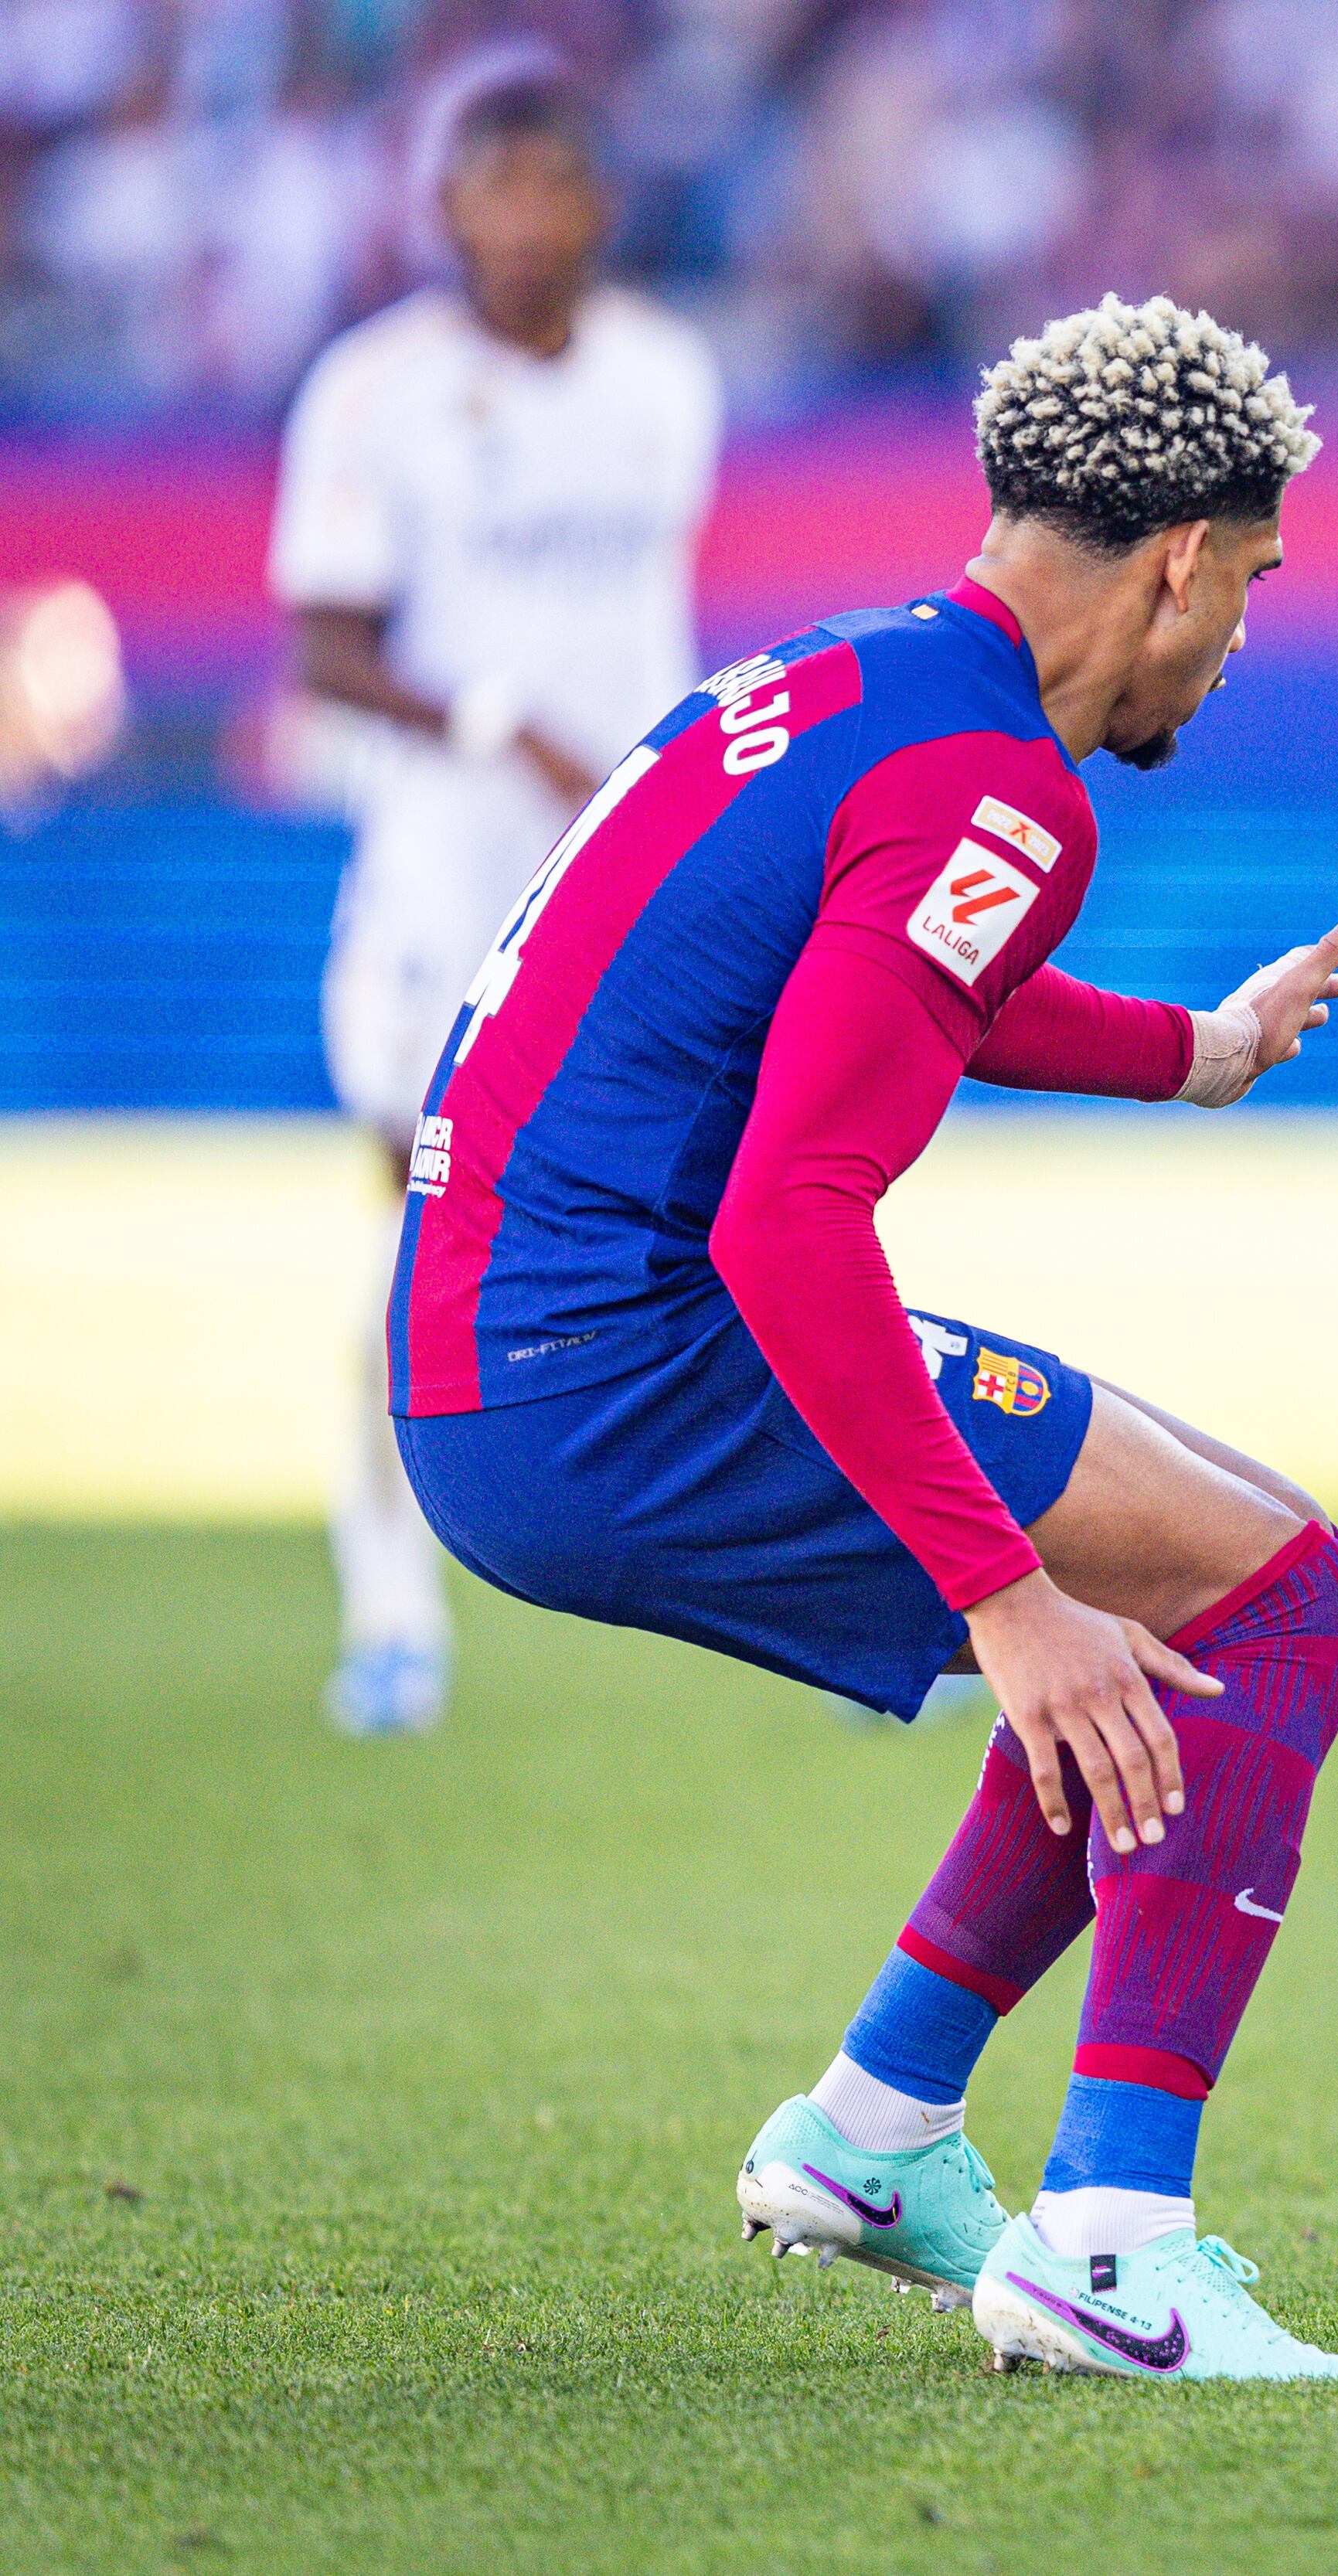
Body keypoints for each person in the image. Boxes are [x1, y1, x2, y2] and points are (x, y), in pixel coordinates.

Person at [389, 294, 1338, 2381]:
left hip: (500, 1355)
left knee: (1194, 1590)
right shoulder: (1003, 783)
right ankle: (1110, 2237)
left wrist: (1191, 1047)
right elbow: (788, 1211)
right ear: (1183, 557)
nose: (1233, 642)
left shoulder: (838, 682)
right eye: (1252, 585)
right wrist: (1005, 1591)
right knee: (1273, 1594)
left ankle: (876, 2132)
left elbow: (894, 985)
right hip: (622, 1367)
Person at [271, 53, 721, 1738]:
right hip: (444, 887)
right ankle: (394, 1622)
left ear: (600, 204)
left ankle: (861, 1582)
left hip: (640, 880)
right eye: (491, 190)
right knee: (416, 1253)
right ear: (446, 206)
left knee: (756, 1218)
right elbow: (323, 646)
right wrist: (493, 722)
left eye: (553, 188)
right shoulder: (370, 392)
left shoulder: (669, 378)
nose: (524, 223)